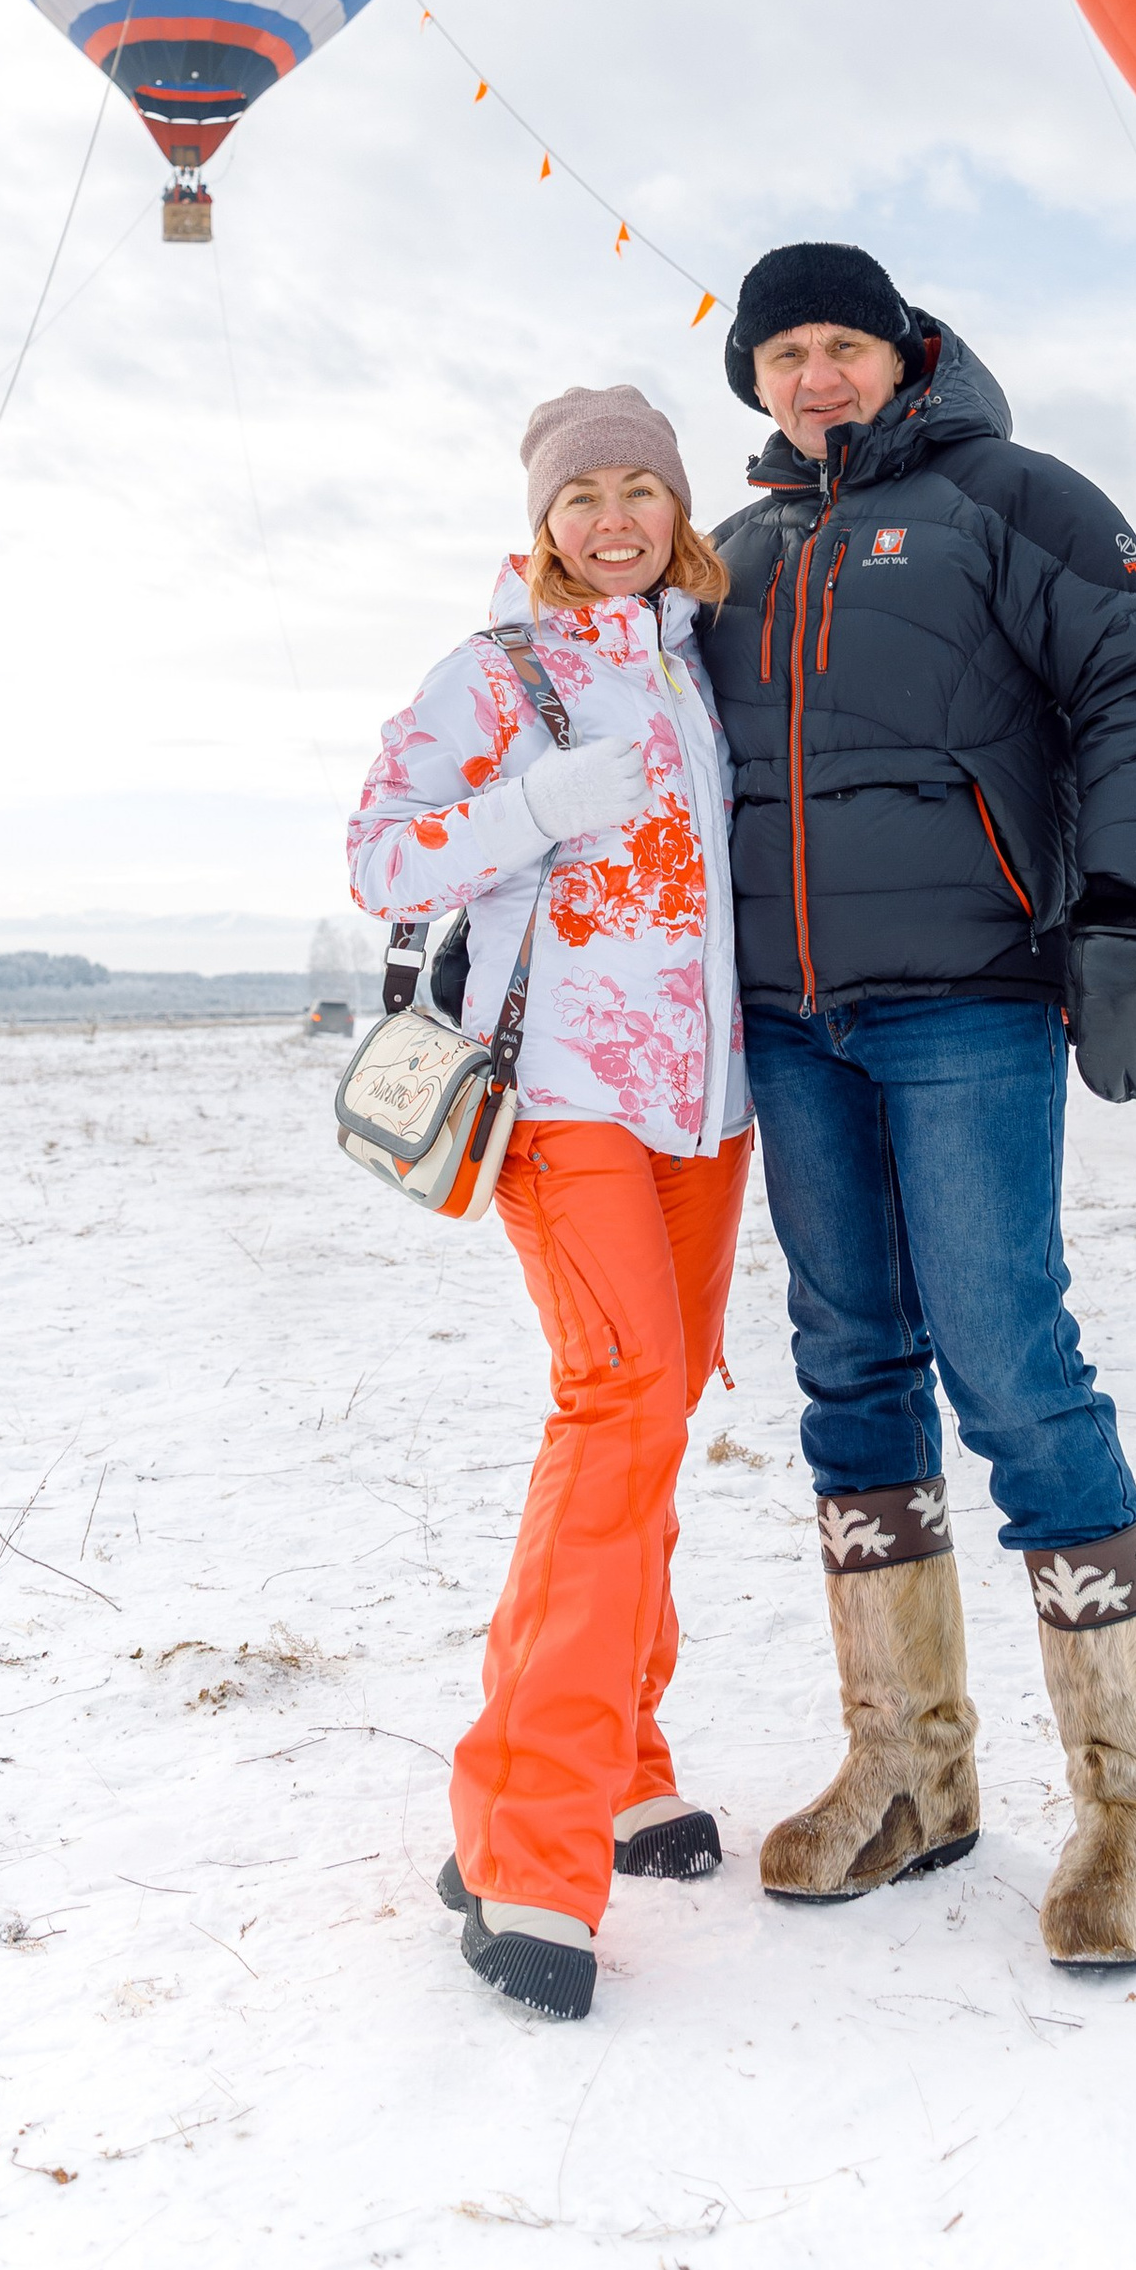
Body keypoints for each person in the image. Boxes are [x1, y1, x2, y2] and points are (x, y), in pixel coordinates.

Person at [698, 243, 1136, 1975]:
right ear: (756, 382)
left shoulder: (1017, 499)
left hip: (970, 1005)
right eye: (785, 354)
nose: (816, 376)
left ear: (902, 350)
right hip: (790, 1023)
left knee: (1010, 1362)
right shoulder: (740, 553)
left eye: (841, 342)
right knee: (846, 1368)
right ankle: (909, 1771)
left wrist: (1130, 913)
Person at [347, 383, 750, 2023]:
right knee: (618, 1405)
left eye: (638, 489)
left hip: (704, 1111)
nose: (610, 520)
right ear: (541, 520)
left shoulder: (698, 659)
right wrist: (530, 810)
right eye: (579, 495)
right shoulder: (494, 671)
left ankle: (624, 1757)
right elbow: (381, 856)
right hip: (566, 1101)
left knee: (657, 1421)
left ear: (675, 510)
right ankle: (524, 1838)